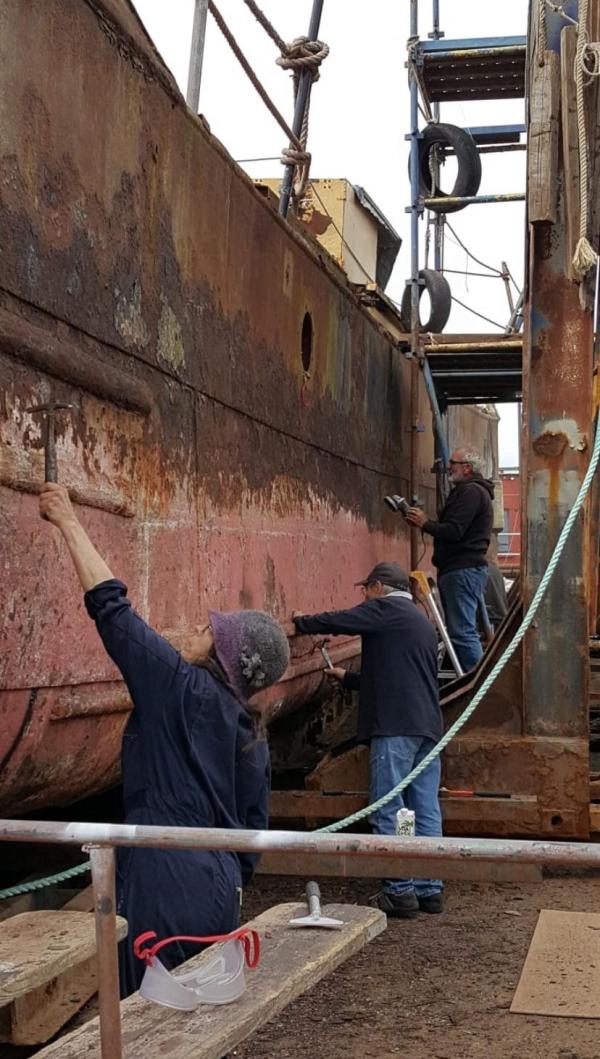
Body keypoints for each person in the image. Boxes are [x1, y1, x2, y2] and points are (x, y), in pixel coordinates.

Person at [38, 482, 290, 997]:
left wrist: (68, 520)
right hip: (221, 886)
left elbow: (112, 610)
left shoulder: (177, 687)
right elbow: (253, 834)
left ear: (223, 656)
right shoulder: (252, 732)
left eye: (210, 631)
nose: (198, 628)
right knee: (199, 1016)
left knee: (141, 1012)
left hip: (163, 879)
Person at [292, 561, 444, 918]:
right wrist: (346, 678)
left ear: (378, 587)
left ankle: (399, 890)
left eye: (366, 589)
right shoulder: (421, 621)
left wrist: (302, 622)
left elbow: (341, 619)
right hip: (427, 729)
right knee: (423, 808)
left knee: (391, 806)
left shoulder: (386, 609)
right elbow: (398, 675)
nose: (364, 596)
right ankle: (429, 888)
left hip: (395, 728)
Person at [405, 447, 494, 671]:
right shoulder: (472, 492)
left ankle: (478, 684)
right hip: (461, 569)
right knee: (462, 630)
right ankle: (477, 680)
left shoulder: (471, 492)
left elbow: (455, 530)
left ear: (467, 468)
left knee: (462, 632)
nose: (448, 467)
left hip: (461, 569)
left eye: (453, 463)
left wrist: (426, 524)